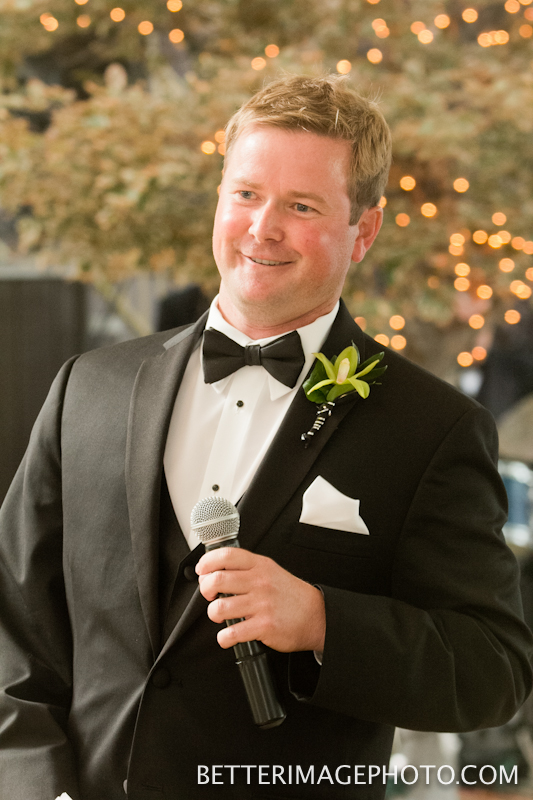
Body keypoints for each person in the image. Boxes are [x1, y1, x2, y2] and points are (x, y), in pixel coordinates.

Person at [0, 74, 531, 800]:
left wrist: (321, 620)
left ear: (364, 231)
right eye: (246, 193)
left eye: (301, 205)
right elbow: (14, 624)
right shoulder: (86, 389)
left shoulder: (431, 428)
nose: (262, 228)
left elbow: (492, 668)